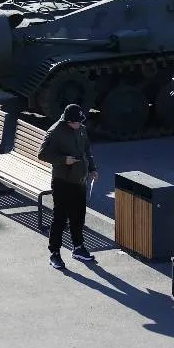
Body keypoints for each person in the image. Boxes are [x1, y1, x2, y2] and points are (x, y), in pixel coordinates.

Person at [38, 103, 98, 269]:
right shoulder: (55, 132)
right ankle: (54, 253)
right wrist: (64, 160)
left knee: (78, 216)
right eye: (76, 122)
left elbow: (87, 150)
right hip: (62, 181)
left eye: (80, 121)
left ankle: (78, 247)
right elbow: (42, 154)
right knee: (60, 218)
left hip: (79, 179)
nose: (79, 124)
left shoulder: (81, 129)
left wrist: (92, 168)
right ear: (68, 121)